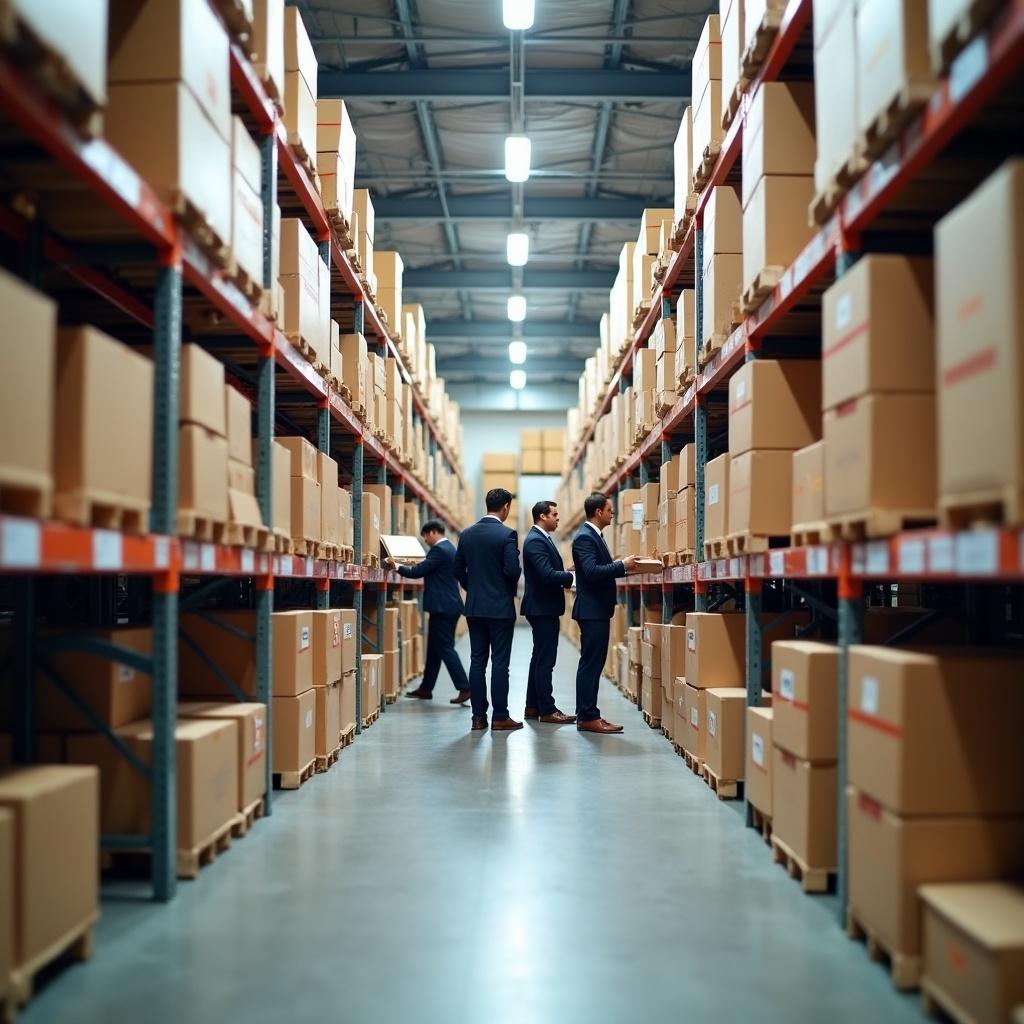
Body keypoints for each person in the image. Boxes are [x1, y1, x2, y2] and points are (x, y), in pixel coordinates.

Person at [453, 487, 522, 732]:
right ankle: (500, 716)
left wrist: (472, 586)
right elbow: (513, 572)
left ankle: (478, 717)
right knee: (500, 662)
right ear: (505, 508)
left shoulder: (467, 534)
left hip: (474, 607)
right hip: (500, 608)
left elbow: (457, 568)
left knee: (477, 661)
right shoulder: (507, 535)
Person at [571, 492, 641, 733]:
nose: (613, 514)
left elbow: (596, 569)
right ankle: (588, 716)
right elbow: (591, 571)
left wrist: (624, 568)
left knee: (594, 662)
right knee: (591, 663)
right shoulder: (585, 538)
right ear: (599, 512)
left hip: (596, 610)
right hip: (591, 610)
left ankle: (589, 713)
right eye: (610, 510)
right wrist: (622, 565)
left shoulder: (593, 536)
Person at [385, 520, 470, 705]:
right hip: (447, 606)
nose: (425, 539)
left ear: (433, 532)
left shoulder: (440, 550)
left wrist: (397, 566)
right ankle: (426, 688)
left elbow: (419, 571)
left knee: (445, 648)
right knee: (434, 648)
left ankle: (465, 687)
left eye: (425, 535)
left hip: (443, 607)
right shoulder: (449, 548)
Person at [520, 499, 575, 724]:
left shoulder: (542, 539)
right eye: (554, 514)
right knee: (546, 659)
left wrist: (567, 571)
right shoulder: (535, 541)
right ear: (542, 516)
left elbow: (551, 570)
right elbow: (546, 574)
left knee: (539, 657)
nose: (558, 518)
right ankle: (547, 709)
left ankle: (532, 706)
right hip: (542, 607)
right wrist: (572, 577)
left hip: (543, 606)